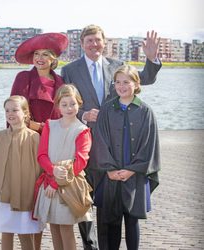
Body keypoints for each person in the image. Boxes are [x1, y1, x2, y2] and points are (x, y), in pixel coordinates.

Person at [61, 24, 161, 249]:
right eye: (89, 40)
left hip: (117, 145)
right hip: (86, 142)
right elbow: (64, 101)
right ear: (82, 44)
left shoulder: (117, 67)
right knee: (86, 199)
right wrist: (83, 113)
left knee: (112, 204)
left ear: (104, 42)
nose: (94, 44)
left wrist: (151, 60)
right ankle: (91, 245)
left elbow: (141, 78)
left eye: (97, 40)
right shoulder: (70, 70)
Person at [89, 65, 161, 250]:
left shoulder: (146, 112)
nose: (121, 86)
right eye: (118, 82)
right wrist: (110, 170)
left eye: (126, 82)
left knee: (132, 222)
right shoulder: (106, 110)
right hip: (110, 175)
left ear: (136, 84)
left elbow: (149, 145)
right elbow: (100, 141)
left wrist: (132, 170)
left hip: (134, 175)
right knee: (110, 224)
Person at [0, 95, 44, 250]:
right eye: (7, 110)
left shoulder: (33, 137)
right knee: (6, 231)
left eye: (15, 110)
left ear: (25, 112)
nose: (10, 113)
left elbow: (38, 168)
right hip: (4, 195)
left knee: (25, 232)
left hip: (23, 194)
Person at [33, 84, 92, 250]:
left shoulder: (82, 130)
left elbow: (80, 162)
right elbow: (42, 155)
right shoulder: (50, 126)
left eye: (72, 104)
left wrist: (56, 182)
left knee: (66, 228)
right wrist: (52, 172)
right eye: (64, 104)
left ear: (79, 104)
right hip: (49, 182)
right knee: (54, 227)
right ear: (58, 106)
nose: (69, 108)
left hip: (68, 186)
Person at [11, 32, 68, 134]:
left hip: (57, 137)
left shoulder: (61, 81)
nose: (39, 58)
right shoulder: (23, 77)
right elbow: (13, 111)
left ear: (52, 59)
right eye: (36, 54)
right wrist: (41, 127)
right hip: (31, 137)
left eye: (45, 54)